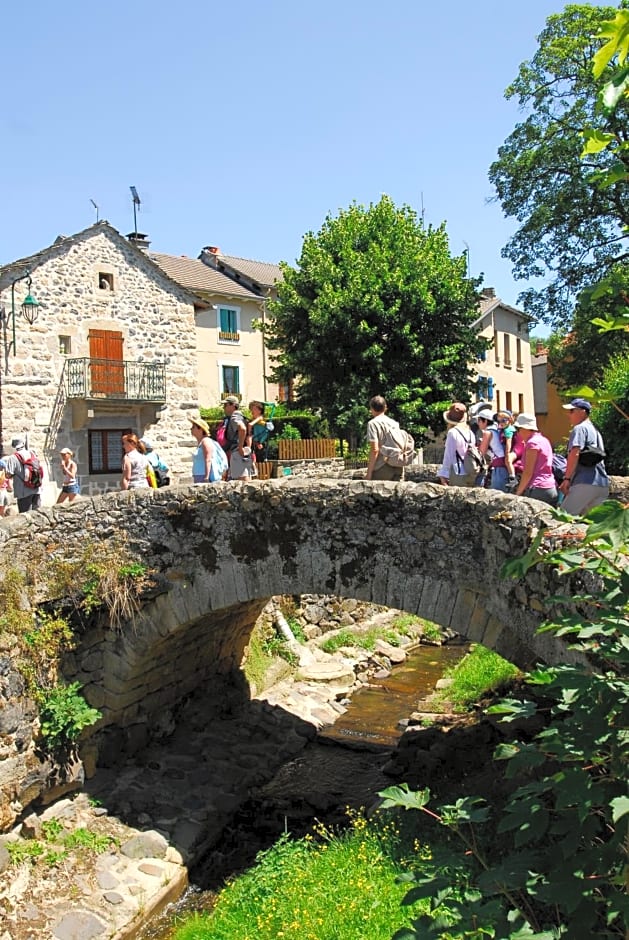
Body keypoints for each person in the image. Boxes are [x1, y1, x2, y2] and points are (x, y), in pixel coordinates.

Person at [558, 398, 609, 515]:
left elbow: (574, 453)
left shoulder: (579, 428)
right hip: (602, 484)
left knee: (562, 518)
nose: (568, 414)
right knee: (592, 526)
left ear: (582, 411)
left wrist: (566, 479)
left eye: (571, 411)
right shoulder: (595, 431)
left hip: (584, 483)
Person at [513, 414, 557, 506]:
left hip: (537, 489)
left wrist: (518, 494)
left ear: (525, 428)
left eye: (518, 429)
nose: (517, 432)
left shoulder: (532, 443)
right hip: (550, 487)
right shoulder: (543, 440)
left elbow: (528, 472)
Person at [365, 395, 404, 482]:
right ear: (385, 407)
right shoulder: (394, 423)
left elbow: (375, 449)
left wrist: (369, 473)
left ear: (372, 409)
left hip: (382, 466)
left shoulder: (373, 423)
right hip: (398, 464)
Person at [0, 437, 43, 512]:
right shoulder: (32, 453)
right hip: (36, 488)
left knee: (25, 515)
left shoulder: (13, 457)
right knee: (38, 514)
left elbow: (8, 475)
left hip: (23, 491)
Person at [438, 402, 476, 486]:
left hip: (457, 472)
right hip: (470, 471)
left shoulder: (453, 432)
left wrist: (443, 474)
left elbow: (448, 455)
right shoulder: (470, 433)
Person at [222, 395, 255, 481]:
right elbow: (249, 434)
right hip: (245, 453)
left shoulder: (234, 417)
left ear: (232, 405)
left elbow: (242, 429)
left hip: (238, 453)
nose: (224, 408)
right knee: (246, 481)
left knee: (242, 482)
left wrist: (240, 447)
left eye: (225, 405)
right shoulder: (242, 416)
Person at [191, 417, 227, 482]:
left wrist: (206, 477)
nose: (191, 429)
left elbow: (208, 459)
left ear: (200, 429)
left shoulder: (206, 441)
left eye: (193, 427)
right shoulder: (201, 443)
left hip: (203, 476)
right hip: (199, 475)